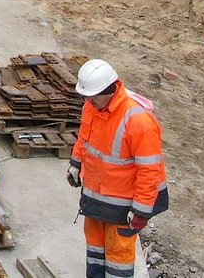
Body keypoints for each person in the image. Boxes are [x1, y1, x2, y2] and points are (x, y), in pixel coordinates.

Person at [69, 59, 167, 278]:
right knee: (95, 248)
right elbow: (85, 137)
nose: (88, 101)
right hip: (97, 193)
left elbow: (149, 171)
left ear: (110, 89)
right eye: (85, 97)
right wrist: (76, 163)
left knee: (118, 255)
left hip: (124, 203)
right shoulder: (92, 105)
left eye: (92, 96)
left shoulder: (139, 120)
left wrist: (141, 210)